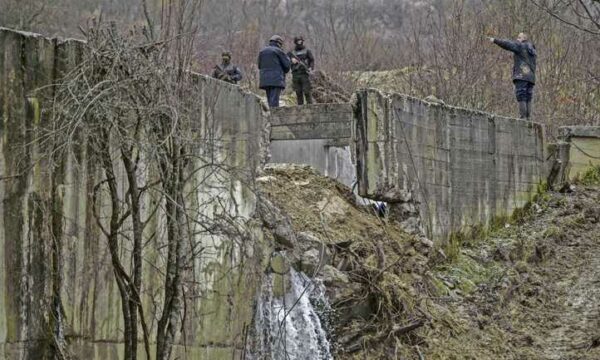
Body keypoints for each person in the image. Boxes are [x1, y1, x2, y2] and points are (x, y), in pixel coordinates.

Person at [489, 33, 537, 119]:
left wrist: (495, 40)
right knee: (528, 96)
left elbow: (507, 44)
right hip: (531, 78)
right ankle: (528, 118)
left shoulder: (520, 46)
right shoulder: (532, 50)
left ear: (523, 39)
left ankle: (523, 117)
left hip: (521, 75)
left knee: (521, 95)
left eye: (519, 37)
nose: (517, 39)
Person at [258, 35, 291, 108]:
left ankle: (270, 117)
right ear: (279, 43)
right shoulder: (278, 51)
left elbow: (259, 66)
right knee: (274, 102)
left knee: (270, 100)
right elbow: (287, 66)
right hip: (276, 79)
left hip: (265, 80)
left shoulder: (262, 51)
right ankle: (274, 118)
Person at [288, 36, 315, 105]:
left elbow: (311, 60)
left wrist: (311, 68)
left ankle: (310, 107)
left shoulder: (307, 51)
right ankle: (300, 108)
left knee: (307, 92)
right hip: (295, 74)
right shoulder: (291, 52)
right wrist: (291, 61)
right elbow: (286, 61)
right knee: (298, 93)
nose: (299, 42)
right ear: (295, 42)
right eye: (298, 41)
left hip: (304, 74)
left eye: (301, 41)